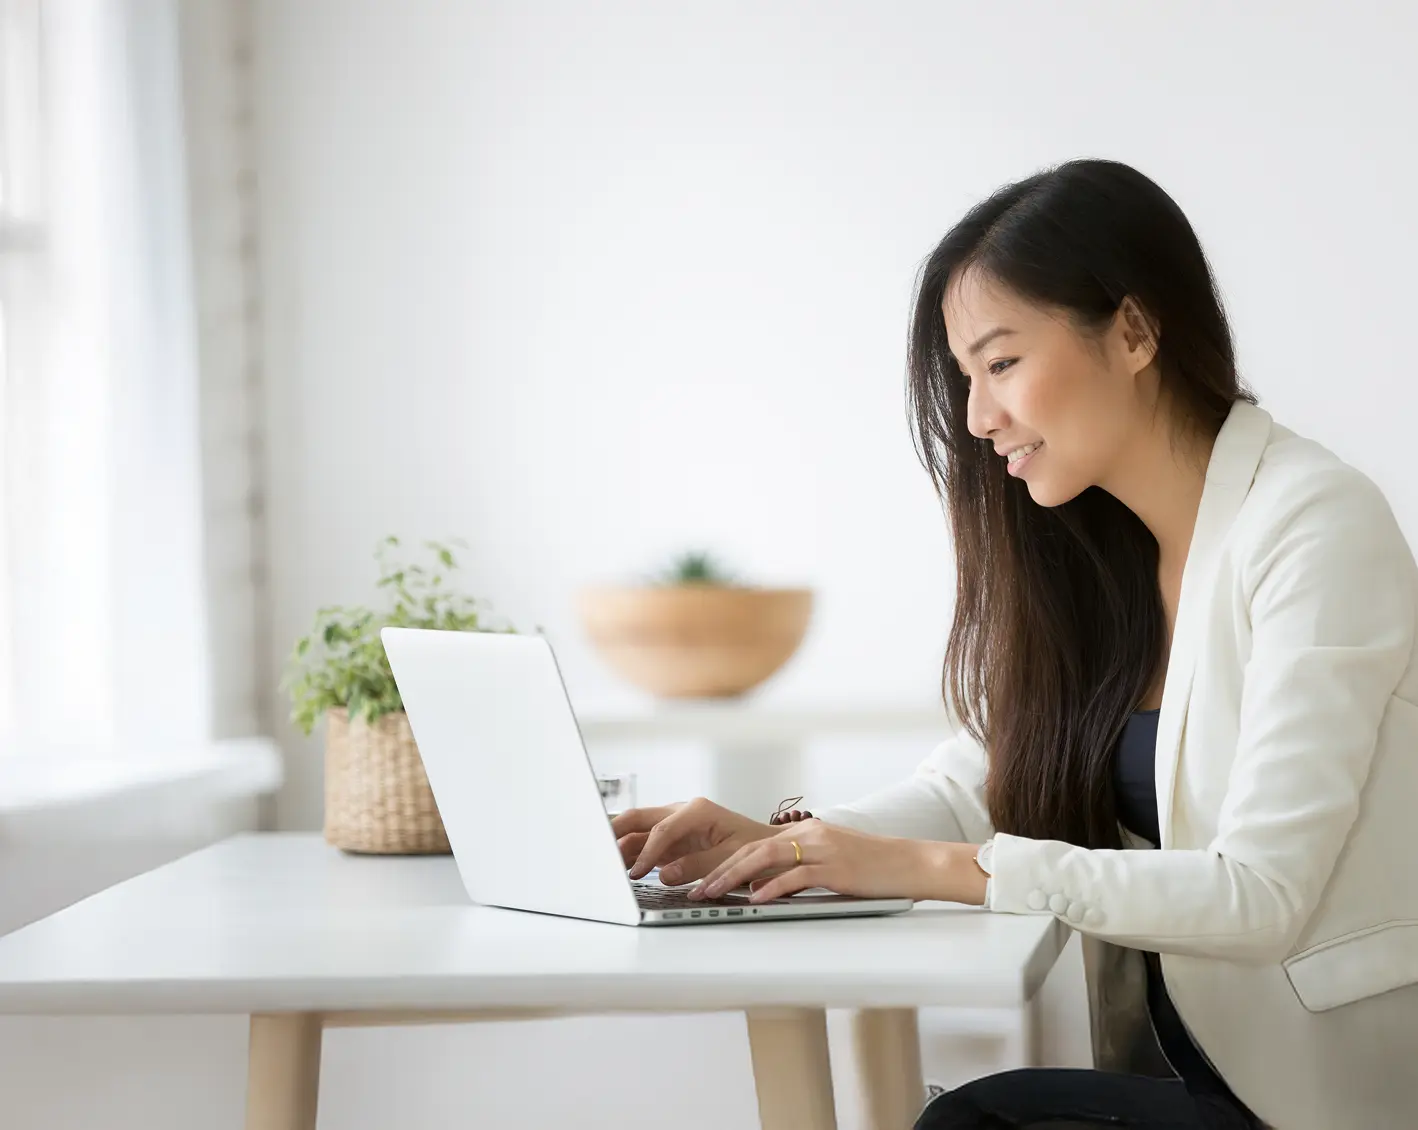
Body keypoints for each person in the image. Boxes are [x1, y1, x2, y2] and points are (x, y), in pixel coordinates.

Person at [610, 158, 1418, 1130]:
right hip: (1180, 1067)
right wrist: (785, 844)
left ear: (1131, 330)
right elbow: (970, 781)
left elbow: (1261, 891)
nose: (975, 417)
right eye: (964, 376)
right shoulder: (1102, 552)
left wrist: (935, 868)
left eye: (999, 363)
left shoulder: (1313, 523)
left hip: (1313, 1089)